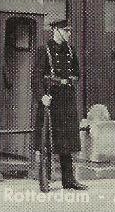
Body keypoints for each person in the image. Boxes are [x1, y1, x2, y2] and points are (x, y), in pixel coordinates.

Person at [36, 18, 88, 191]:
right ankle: (46, 179)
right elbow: (35, 78)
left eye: (69, 30)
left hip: (67, 100)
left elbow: (76, 73)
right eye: (65, 30)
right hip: (51, 100)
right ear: (56, 31)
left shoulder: (71, 51)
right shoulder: (45, 50)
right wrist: (42, 96)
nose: (69, 33)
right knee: (48, 141)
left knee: (67, 141)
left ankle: (69, 180)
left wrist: (69, 81)